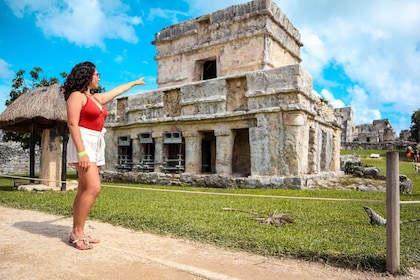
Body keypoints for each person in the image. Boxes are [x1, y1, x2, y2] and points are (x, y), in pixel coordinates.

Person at [62, 61, 145, 250]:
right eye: (96, 74)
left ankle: (78, 230)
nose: (99, 77)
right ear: (86, 76)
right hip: (83, 142)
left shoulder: (95, 98)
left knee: (84, 189)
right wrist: (82, 152)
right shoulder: (76, 96)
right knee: (94, 188)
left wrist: (133, 83)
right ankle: (77, 232)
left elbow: (116, 91)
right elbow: (73, 125)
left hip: (96, 142)